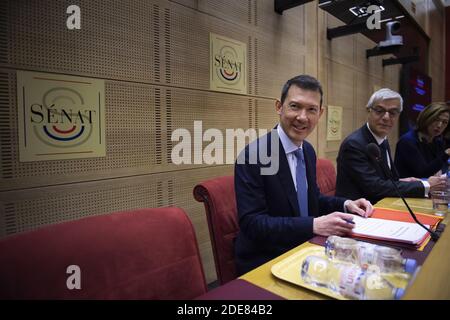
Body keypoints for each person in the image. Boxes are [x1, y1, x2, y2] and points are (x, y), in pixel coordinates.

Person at [234, 75, 373, 275]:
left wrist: (346, 204)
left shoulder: (307, 150)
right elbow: (253, 224)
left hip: (305, 247)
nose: (302, 117)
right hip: (267, 260)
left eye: (311, 110)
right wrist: (314, 224)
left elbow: (311, 199)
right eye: (294, 106)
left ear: (320, 113)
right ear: (279, 107)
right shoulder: (254, 156)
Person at [335, 88, 446, 204]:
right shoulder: (354, 144)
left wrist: (405, 181)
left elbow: (385, 180)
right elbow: (374, 187)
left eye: (392, 113)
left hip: (381, 204)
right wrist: (425, 185)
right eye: (379, 110)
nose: (386, 117)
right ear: (368, 111)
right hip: (357, 213)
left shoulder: (382, 138)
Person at [395, 102, 450, 178]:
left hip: (430, 188)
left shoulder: (438, 142)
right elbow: (423, 173)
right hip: (408, 188)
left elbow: (440, 168)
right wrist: (446, 154)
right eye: (436, 119)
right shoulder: (408, 141)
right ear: (427, 117)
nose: (439, 125)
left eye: (444, 122)